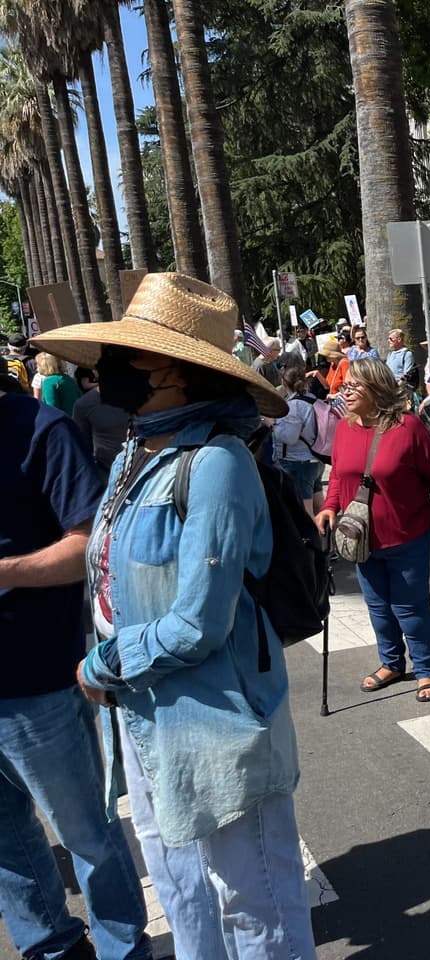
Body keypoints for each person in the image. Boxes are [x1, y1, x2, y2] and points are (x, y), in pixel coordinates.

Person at [34, 272, 317, 959]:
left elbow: (198, 621)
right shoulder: (138, 449)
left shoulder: (215, 462)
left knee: (255, 901)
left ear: (175, 372)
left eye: (126, 357)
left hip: (213, 716)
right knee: (178, 882)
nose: (106, 371)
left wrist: (104, 662)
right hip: (142, 710)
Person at [0, 371, 152, 960]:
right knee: (7, 841)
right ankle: (51, 946)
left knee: (85, 831)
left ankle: (120, 946)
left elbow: (90, 543)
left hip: (36, 678)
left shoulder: (40, 428)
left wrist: (6, 573)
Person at [318, 359, 430, 702]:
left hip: (408, 534)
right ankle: (391, 663)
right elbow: (338, 474)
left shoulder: (408, 427)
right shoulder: (344, 428)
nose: (344, 391)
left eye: (354, 386)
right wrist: (329, 506)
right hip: (361, 538)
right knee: (378, 606)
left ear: (377, 388)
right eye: (345, 386)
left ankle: (425, 669)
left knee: (409, 606)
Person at [273, 362, 324, 514]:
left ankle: (311, 537)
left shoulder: (293, 406)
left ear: (284, 382)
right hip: (315, 459)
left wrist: (272, 425)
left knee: (304, 512)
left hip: (298, 462)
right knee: (319, 506)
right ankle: (326, 534)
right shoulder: (312, 398)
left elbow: (290, 437)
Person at [73, 365, 131, 477]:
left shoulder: (147, 397)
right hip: (107, 475)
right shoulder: (84, 404)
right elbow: (83, 449)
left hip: (147, 472)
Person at [36, 350, 82, 414]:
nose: (36, 367)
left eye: (38, 364)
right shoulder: (68, 378)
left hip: (62, 421)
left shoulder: (49, 382)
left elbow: (52, 409)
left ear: (44, 365)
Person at [385, 327, 418, 394]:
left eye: (391, 339)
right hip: (390, 388)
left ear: (399, 339)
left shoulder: (407, 354)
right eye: (388, 339)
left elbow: (407, 374)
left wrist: (397, 387)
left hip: (401, 390)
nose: (388, 341)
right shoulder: (390, 354)